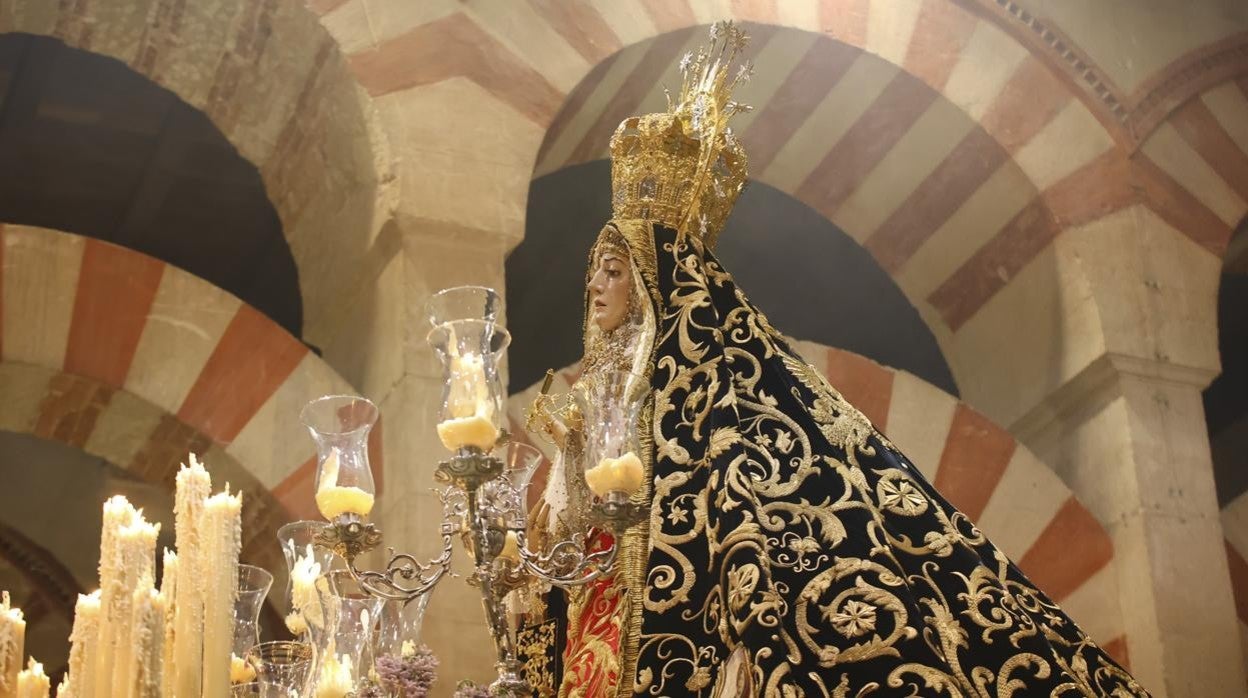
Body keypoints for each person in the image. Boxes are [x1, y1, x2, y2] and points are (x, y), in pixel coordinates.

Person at [522, 22, 1149, 698]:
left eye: (612, 270)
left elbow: (747, 526)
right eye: (595, 270)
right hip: (600, 623)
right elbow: (562, 539)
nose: (594, 286)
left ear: (652, 283)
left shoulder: (724, 397)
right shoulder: (592, 401)